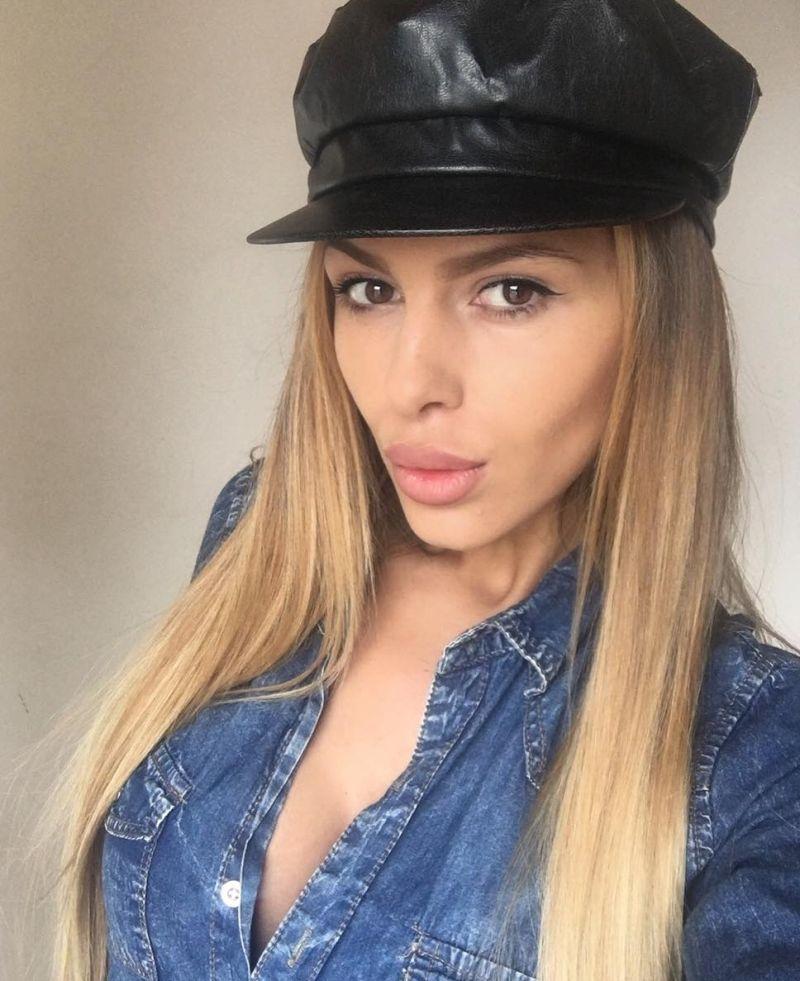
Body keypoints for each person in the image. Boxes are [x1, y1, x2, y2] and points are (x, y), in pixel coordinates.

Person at [48, 2, 800, 980]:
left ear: (660, 326)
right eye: (369, 290)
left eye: (511, 290)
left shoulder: (751, 751)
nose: (409, 385)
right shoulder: (263, 538)